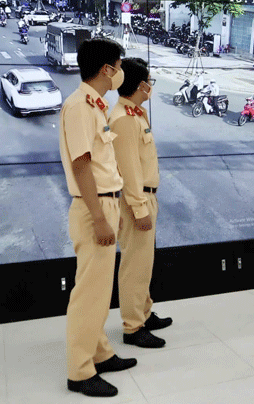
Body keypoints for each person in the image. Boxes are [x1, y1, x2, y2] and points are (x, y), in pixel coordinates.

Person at [59, 38, 136, 398]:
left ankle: (100, 352)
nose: (121, 72)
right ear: (107, 69)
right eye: (119, 65)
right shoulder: (79, 107)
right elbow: (81, 165)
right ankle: (79, 371)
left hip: (104, 203)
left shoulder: (93, 105)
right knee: (89, 295)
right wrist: (100, 217)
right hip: (93, 209)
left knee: (100, 291)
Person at [108, 58, 173, 350]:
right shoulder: (122, 119)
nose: (151, 85)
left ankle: (144, 313)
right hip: (137, 200)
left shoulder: (136, 114)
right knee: (135, 266)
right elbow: (128, 171)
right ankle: (132, 327)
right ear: (139, 85)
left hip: (147, 196)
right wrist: (138, 208)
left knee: (144, 263)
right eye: (149, 80)